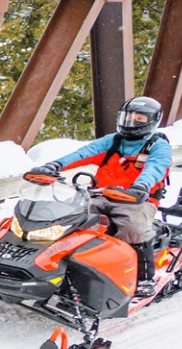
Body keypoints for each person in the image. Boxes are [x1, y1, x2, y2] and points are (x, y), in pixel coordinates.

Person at [27, 95, 173, 297]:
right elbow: (84, 153)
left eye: (138, 119)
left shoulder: (158, 146)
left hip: (136, 200)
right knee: (71, 222)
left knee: (132, 228)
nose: (131, 123)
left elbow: (155, 168)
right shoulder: (113, 141)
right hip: (99, 194)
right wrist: (55, 165)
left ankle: (144, 279)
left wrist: (141, 185)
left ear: (152, 121)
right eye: (128, 118)